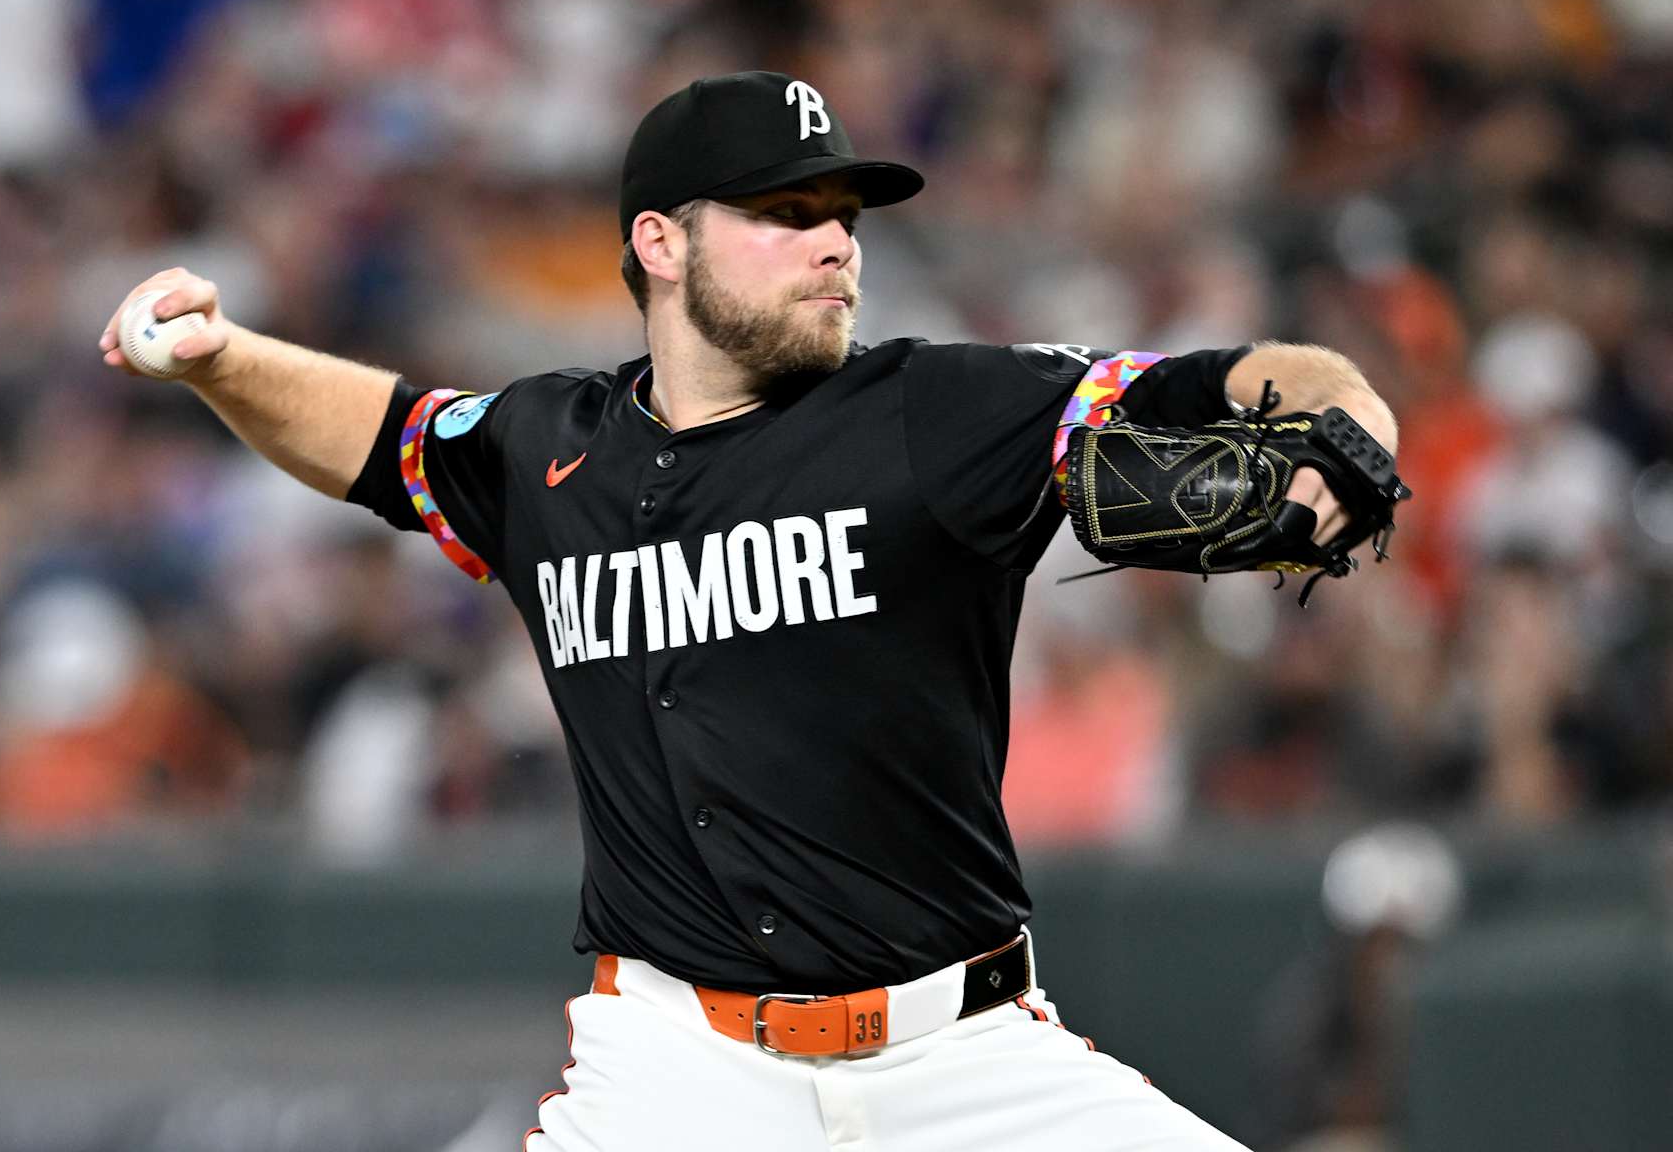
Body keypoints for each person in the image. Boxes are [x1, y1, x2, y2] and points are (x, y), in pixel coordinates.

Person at [99, 71, 1399, 1152]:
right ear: (661, 243)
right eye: (787, 210)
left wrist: (1349, 423)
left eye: (846, 211)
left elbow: (1231, 381)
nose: (837, 240)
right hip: (679, 1069)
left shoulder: (939, 411)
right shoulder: (553, 451)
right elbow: (385, 439)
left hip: (965, 1059)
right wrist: (225, 358)